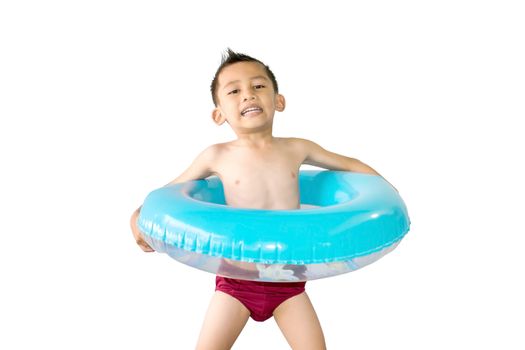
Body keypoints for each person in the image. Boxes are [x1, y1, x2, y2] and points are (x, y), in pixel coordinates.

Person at [130, 49, 387, 350]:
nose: (248, 95)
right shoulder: (216, 155)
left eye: (259, 86)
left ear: (279, 101)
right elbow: (169, 194)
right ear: (219, 114)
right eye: (235, 91)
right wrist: (137, 216)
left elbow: (348, 163)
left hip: (289, 281)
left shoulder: (296, 148)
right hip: (236, 282)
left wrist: (384, 189)